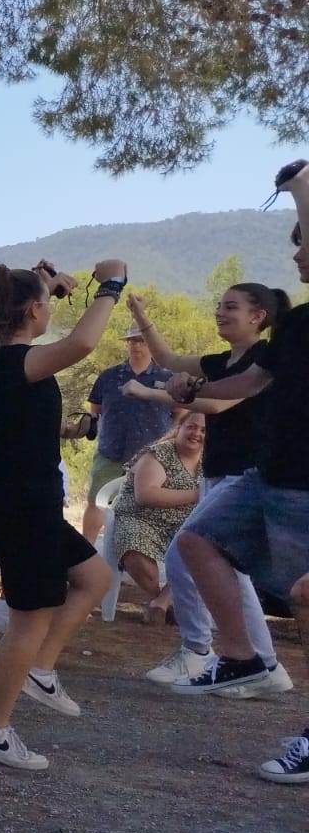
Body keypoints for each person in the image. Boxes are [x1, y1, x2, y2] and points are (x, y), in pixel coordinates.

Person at [164, 158, 309, 744]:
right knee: (196, 541)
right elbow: (247, 385)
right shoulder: (297, 327)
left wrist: (300, 188)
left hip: (304, 482)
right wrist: (191, 390)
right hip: (267, 474)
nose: (297, 257)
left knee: (304, 595)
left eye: (304, 246)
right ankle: (245, 658)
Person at [0, 258, 125, 772]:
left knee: (93, 576)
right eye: (47, 303)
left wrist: (46, 286)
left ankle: (40, 671)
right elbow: (81, 344)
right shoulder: (16, 362)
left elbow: (17, 428)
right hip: (19, 503)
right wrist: (111, 285)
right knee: (28, 616)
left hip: (20, 499)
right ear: (35, 311)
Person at [123, 285, 292, 692]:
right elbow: (167, 359)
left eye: (230, 306)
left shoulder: (260, 360)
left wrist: (155, 391)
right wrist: (142, 316)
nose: (219, 312)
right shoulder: (219, 361)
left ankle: (216, 654)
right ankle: (261, 666)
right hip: (222, 475)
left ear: (258, 316)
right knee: (215, 566)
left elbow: (217, 404)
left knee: (194, 553)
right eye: (218, 305)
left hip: (246, 478)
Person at [109, 412, 205, 624]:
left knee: (207, 543)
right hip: (141, 518)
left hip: (184, 523)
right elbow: (146, 495)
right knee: (134, 544)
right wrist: (198, 494)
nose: (196, 433)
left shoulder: (211, 461)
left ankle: (162, 602)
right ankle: (160, 599)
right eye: (191, 426)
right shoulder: (159, 453)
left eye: (203, 430)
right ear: (179, 427)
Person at [81, 326, 170, 543]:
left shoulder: (167, 377)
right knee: (96, 501)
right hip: (111, 451)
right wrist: (102, 432)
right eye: (132, 341)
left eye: (141, 340)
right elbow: (95, 408)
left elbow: (181, 413)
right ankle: (86, 551)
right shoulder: (109, 376)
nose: (137, 345)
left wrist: (167, 443)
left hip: (152, 455)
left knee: (150, 506)